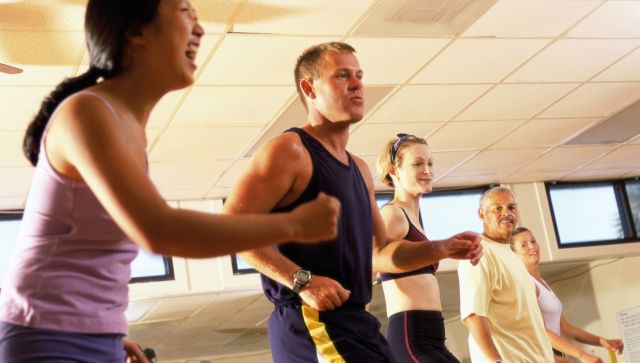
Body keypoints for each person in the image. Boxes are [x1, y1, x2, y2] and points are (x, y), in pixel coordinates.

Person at [0, 1, 340, 362]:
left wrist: (110, 334)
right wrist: (291, 224)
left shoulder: (126, 126)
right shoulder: (87, 112)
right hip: (46, 334)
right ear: (137, 31)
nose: (199, 28)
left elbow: (97, 253)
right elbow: (158, 230)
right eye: (184, 12)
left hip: (94, 333)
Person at [223, 41, 482, 363]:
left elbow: (380, 252)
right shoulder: (290, 150)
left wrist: (441, 248)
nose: (358, 84)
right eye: (342, 75)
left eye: (359, 75)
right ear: (309, 88)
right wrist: (301, 280)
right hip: (311, 319)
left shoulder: (358, 167)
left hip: (357, 321)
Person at [375, 133, 462, 362]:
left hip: (433, 337)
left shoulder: (415, 222)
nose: (428, 170)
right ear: (394, 171)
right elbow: (367, 264)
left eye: (429, 163)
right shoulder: (393, 214)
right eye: (417, 164)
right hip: (410, 336)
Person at [458, 186, 554, 362]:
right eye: (498, 208)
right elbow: (474, 316)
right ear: (481, 214)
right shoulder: (478, 253)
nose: (506, 213)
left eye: (511, 207)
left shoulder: (513, 256)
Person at [510, 227, 624, 363]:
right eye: (524, 245)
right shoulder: (525, 284)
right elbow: (540, 331)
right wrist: (582, 355)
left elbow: (566, 328)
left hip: (554, 354)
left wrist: (602, 341)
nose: (532, 246)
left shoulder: (542, 284)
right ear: (514, 254)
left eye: (533, 241)